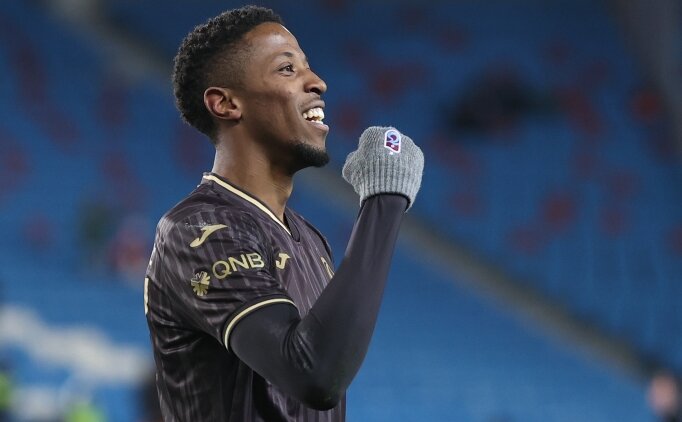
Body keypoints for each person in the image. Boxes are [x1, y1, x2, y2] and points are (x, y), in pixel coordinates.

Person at [144, 5, 423, 421]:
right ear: (226, 103)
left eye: (308, 66)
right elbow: (314, 374)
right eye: (288, 69)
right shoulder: (197, 231)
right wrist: (385, 199)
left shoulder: (310, 240)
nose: (318, 82)